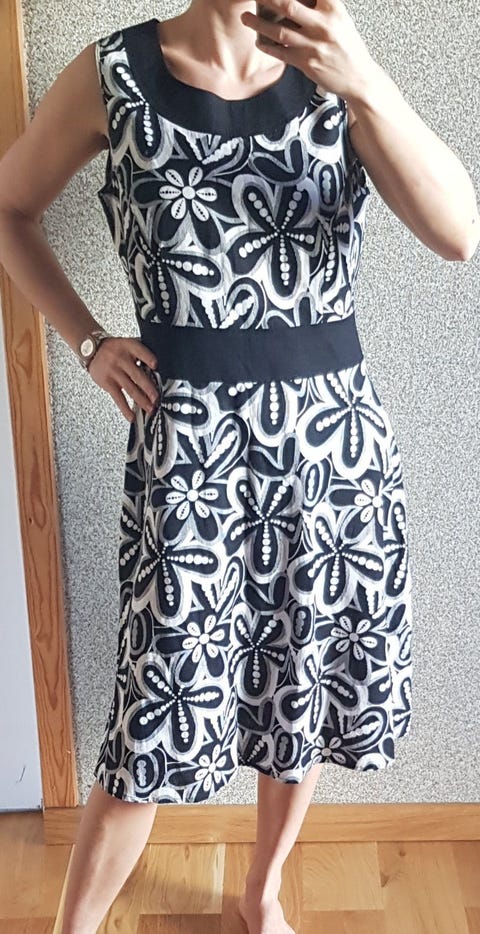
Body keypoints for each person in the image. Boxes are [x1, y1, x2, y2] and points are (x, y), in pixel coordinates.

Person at [0, 1, 478, 932]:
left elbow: (459, 233)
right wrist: (88, 340)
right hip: (189, 460)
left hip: (331, 454)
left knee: (299, 683)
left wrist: (365, 80)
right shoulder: (113, 75)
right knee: (154, 708)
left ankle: (261, 893)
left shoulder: (340, 71)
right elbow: (9, 207)